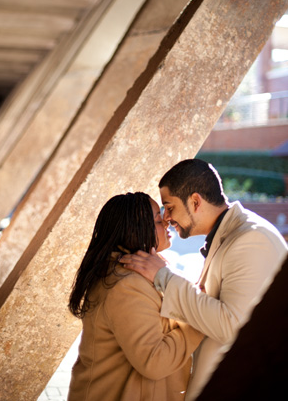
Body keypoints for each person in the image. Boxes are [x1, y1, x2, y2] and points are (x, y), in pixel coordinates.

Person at [121, 159, 288, 399]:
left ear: (195, 201)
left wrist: (163, 277)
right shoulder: (233, 233)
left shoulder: (252, 240)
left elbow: (233, 326)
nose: (166, 217)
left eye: (169, 207)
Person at [68, 192, 204, 401]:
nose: (167, 221)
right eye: (158, 220)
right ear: (135, 230)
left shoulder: (131, 272)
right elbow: (154, 361)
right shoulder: (127, 285)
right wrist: (198, 320)